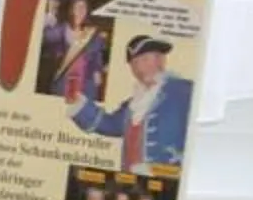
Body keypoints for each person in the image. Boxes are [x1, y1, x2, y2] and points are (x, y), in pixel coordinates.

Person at [70, 36, 193, 169]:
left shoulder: (184, 91)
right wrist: (78, 101)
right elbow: (109, 124)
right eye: (135, 62)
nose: (140, 67)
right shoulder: (132, 105)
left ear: (161, 60)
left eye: (146, 59)